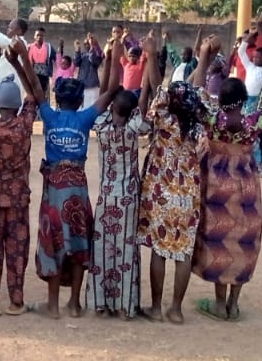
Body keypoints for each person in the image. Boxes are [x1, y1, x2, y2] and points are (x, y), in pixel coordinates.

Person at [11, 36, 110, 320]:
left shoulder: (49, 116)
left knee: (53, 242)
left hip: (54, 192)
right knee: (78, 242)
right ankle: (75, 304)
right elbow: (110, 91)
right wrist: (112, 57)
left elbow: (33, 85)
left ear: (57, 99)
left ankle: (52, 306)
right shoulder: (85, 118)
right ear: (80, 101)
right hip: (78, 191)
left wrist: (21, 57)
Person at [189, 59, 262, 322]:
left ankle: (219, 303)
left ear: (220, 98)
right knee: (243, 240)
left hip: (216, 191)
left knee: (219, 240)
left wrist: (204, 55)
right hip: (246, 190)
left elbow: (196, 90)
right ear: (244, 98)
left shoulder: (212, 119)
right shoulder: (254, 123)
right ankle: (234, 305)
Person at [138, 38, 207, 324]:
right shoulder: (198, 120)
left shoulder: (164, 118)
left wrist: (151, 56)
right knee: (183, 252)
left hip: (161, 190)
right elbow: (197, 89)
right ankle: (176, 309)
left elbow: (157, 88)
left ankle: (156, 308)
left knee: (159, 249)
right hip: (188, 192)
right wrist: (204, 58)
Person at [86, 33, 153, 320]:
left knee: (102, 250)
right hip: (128, 198)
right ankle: (126, 306)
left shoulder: (101, 125)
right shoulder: (134, 127)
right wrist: (148, 67)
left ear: (113, 108)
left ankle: (101, 303)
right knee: (127, 252)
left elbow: (106, 95)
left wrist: (112, 62)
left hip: (106, 196)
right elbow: (144, 115)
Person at [0, 71, 37, 317]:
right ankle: (16, 300)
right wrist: (17, 63)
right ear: (17, 105)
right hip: (18, 198)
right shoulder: (24, 125)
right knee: (17, 249)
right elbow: (33, 92)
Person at [75, 34, 104, 107]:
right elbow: (76, 63)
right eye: (84, 44)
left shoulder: (97, 54)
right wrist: (77, 50)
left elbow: (93, 60)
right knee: (82, 107)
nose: (86, 45)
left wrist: (92, 47)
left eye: (88, 43)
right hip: (82, 85)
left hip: (92, 86)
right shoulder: (82, 54)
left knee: (92, 108)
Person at [28, 27, 56, 92]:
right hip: (33, 77)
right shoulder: (29, 47)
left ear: (44, 37)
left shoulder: (48, 47)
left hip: (45, 77)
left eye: (41, 35)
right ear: (34, 36)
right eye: (37, 35)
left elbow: (56, 58)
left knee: (44, 96)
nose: (39, 37)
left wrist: (61, 48)